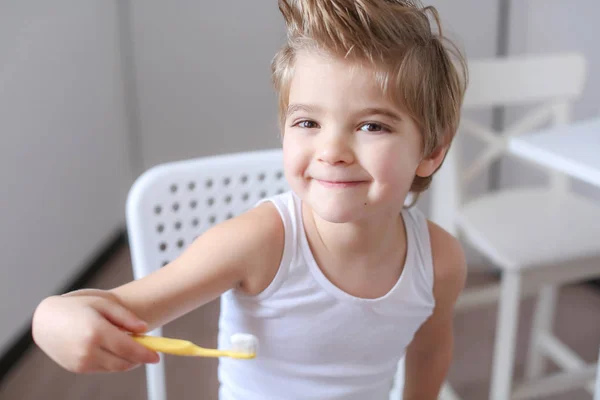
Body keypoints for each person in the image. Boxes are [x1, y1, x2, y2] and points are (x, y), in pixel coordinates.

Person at [33, 1, 468, 399]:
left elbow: (430, 353)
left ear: (431, 151)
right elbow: (111, 308)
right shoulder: (259, 244)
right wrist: (53, 320)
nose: (331, 150)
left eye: (372, 126)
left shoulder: (440, 263)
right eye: (307, 121)